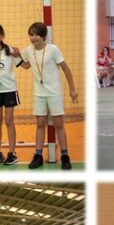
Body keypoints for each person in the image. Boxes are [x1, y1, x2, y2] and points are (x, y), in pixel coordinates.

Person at [17, 22, 77, 169]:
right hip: (39, 94)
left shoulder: (53, 50)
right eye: (31, 35)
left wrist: (72, 89)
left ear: (43, 36)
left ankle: (65, 156)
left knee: (59, 124)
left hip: (54, 93)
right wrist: (12, 56)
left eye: (36, 35)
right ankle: (38, 155)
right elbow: (26, 65)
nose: (33, 38)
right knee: (40, 124)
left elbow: (66, 69)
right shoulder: (29, 50)